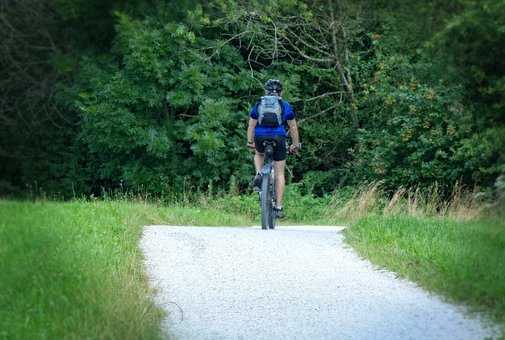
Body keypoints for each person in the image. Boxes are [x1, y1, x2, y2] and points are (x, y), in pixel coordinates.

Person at [246, 79, 301, 219]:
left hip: (260, 137)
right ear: (281, 92)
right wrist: (295, 144)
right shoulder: (285, 105)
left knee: (258, 154)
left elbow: (251, 125)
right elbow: (293, 127)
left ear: (266, 91)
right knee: (279, 173)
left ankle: (259, 174)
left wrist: (250, 141)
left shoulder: (259, 103)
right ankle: (279, 207)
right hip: (279, 138)